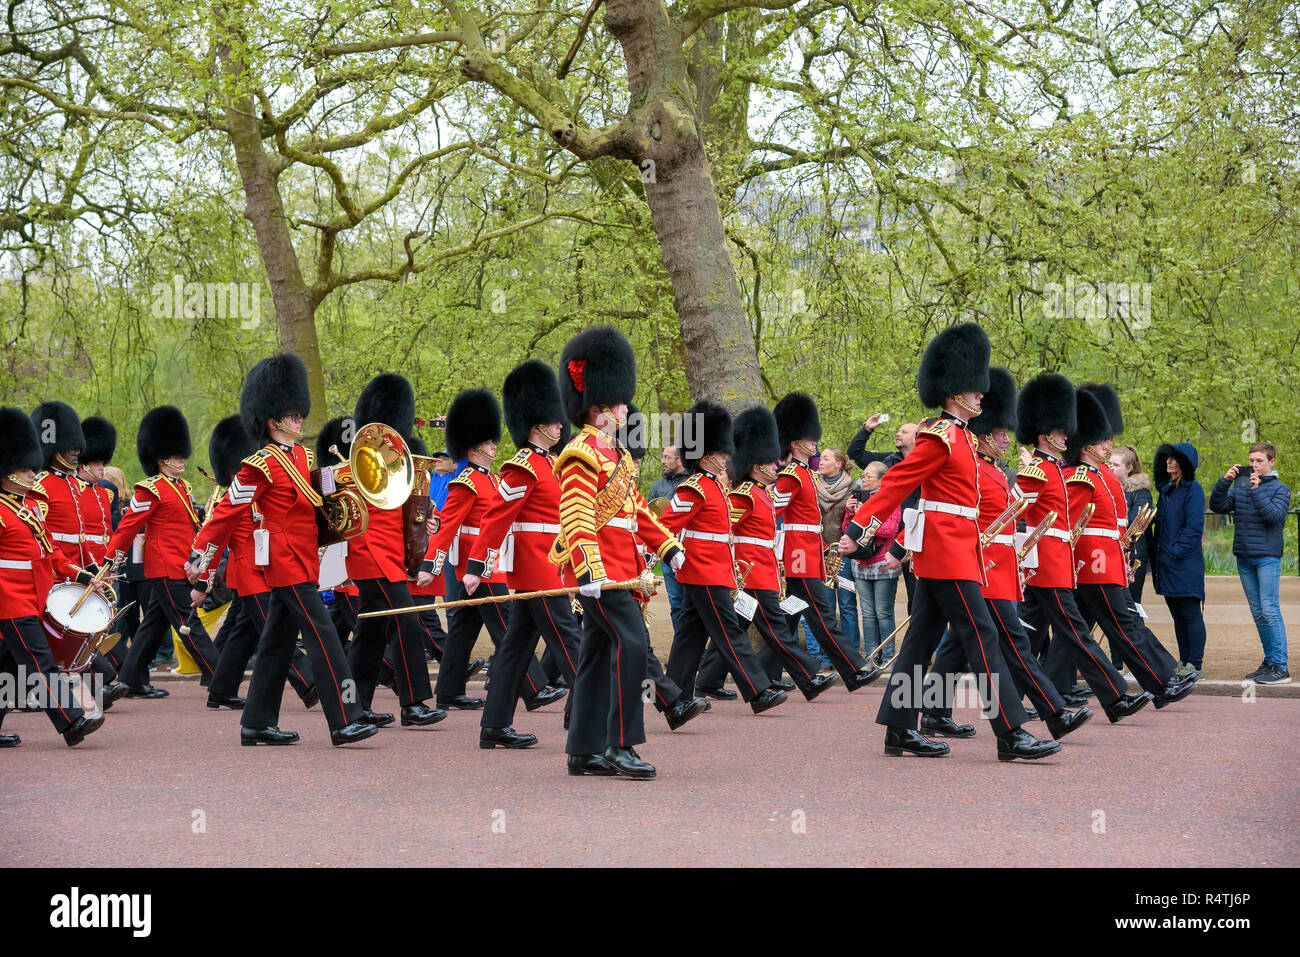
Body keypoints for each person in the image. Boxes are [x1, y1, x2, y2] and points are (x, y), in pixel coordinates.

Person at [840, 324, 1057, 761]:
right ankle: (1011, 732)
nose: (983, 396)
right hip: (946, 550)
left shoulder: (962, 438)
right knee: (982, 635)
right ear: (955, 392)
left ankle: (899, 729)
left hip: (959, 549)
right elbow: (897, 482)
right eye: (976, 390)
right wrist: (858, 528)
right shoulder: (940, 435)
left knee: (920, 641)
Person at [187, 352, 376, 747]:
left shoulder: (300, 456)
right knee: (324, 635)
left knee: (275, 643)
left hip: (305, 556)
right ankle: (346, 717)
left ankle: (256, 722)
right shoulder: (259, 464)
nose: (299, 419)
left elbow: (312, 494)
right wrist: (200, 557)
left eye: (299, 413)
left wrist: (347, 474)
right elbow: (226, 512)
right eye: (292, 415)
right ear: (273, 420)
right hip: (283, 559)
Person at [918, 367, 1092, 740]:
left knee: (958, 646)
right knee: (1006, 641)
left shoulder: (995, 470)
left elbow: (1010, 514)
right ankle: (1050, 712)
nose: (1005, 440)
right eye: (999, 434)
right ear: (983, 437)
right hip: (978, 563)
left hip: (992, 564)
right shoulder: (971, 463)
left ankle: (932, 710)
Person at [555, 326, 684, 779]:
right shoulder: (580, 453)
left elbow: (635, 515)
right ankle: (620, 743)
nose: (626, 410)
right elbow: (576, 516)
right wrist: (588, 568)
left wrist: (667, 546)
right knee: (631, 646)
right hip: (602, 574)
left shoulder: (617, 457)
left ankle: (583, 749)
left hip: (622, 571)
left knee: (594, 654)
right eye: (620, 404)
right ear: (598, 407)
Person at [1015, 374, 1151, 721]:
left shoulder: (1054, 470)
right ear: (1046, 434)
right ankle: (1110, 698)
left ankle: (1017, 701)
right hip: (1044, 562)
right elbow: (1014, 511)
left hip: (1058, 562)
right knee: (1065, 633)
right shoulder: (1038, 471)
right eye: (1062, 432)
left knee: (1038, 634)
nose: (1067, 436)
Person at [466, 359, 583, 749]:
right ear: (536, 425)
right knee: (571, 644)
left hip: (553, 563)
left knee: (515, 649)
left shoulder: (553, 463)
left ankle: (494, 725)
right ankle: (596, 718)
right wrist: (476, 565)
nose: (560, 426)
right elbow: (498, 518)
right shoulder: (524, 466)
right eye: (554, 422)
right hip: (536, 567)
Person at [417, 388, 557, 711]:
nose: (495, 446)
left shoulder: (491, 480)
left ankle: (449, 689)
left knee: (463, 630)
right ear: (476, 444)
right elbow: (448, 526)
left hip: (488, 563)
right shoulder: (465, 482)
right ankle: (533, 687)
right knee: (508, 628)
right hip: (477, 568)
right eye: (490, 441)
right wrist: (430, 565)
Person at [1065, 384, 1194, 709]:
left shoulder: (1101, 474)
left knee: (1099, 626)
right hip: (1092, 563)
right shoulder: (1082, 476)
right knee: (1122, 623)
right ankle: (1163, 681)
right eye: (1102, 439)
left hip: (1108, 558)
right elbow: (1073, 525)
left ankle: (1057, 686)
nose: (1109, 444)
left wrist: (1122, 555)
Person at [660, 401, 787, 715]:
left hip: (715, 571)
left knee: (690, 637)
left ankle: (674, 700)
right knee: (729, 631)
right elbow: (665, 526)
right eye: (721, 452)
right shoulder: (694, 489)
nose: (726, 457)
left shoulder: (715, 487)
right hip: (702, 571)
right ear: (706, 455)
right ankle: (758, 691)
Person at [341, 374, 445, 729]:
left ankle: (353, 704)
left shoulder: (395, 462)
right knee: (408, 622)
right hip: (371, 554)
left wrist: (429, 523)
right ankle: (414, 703)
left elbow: (407, 509)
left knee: (369, 633)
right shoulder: (360, 460)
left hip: (388, 556)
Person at [0, 407, 106, 748]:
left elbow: (50, 554)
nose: (33, 472)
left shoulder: (27, 508)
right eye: (24, 466)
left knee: (8, 668)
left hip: (34, 597)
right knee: (39, 663)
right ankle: (71, 719)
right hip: (9, 598)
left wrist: (82, 574)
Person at [198, 415, 318, 712]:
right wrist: (204, 577)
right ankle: (309, 682)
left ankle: (221, 690)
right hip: (248, 571)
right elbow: (219, 535)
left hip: (268, 568)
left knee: (244, 633)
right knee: (275, 634)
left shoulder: (264, 483)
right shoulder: (232, 494)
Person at [107, 406, 225, 695]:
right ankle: (223, 681)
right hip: (164, 566)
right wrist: (110, 560)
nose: (181, 460)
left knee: (151, 628)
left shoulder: (182, 486)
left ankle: (130, 680)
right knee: (189, 626)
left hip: (181, 564)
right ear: (160, 459)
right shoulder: (150, 489)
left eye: (181, 454)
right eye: (175, 456)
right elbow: (128, 527)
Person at [724, 405, 839, 701]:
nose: (776, 466)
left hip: (764, 567)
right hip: (750, 568)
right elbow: (727, 530)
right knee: (774, 626)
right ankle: (805, 678)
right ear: (755, 463)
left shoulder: (761, 491)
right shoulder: (745, 494)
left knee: (732, 627)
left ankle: (710, 678)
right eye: (769, 462)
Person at [772, 392, 881, 691]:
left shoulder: (806, 473)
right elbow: (770, 512)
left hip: (810, 548)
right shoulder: (792, 475)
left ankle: (767, 674)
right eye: (810, 438)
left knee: (790, 611)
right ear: (795, 443)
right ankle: (854, 669)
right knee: (821, 612)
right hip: (797, 552)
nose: (815, 442)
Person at [1210, 442, 1292, 684]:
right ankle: (1269, 662)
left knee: (1269, 609)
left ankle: (1281, 667)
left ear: (1271, 462)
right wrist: (1225, 481)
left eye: (1260, 461)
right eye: (1252, 460)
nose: (1254, 465)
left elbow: (1273, 517)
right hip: (1244, 556)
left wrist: (1256, 491)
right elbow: (1218, 506)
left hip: (1267, 557)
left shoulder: (1281, 489)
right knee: (1257, 612)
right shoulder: (1242, 485)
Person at [1152, 441, 1207, 679]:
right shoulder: (1166, 491)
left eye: (1174, 459)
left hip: (1184, 563)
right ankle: (1184, 661)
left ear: (1184, 463)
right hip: (1166, 563)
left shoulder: (1193, 489)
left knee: (1191, 614)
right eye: (1167, 458)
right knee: (1177, 615)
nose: (1168, 462)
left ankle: (1195, 663)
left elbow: (1194, 527)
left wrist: (1175, 552)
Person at [848, 461, 902, 665]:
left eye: (869, 476)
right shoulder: (858, 498)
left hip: (882, 564)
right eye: (863, 476)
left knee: (883, 612)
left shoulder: (890, 499)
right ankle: (871, 658)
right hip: (861, 564)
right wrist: (851, 511)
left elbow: (888, 530)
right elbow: (848, 529)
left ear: (882, 479)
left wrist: (864, 513)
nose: (864, 479)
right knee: (868, 614)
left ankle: (888, 658)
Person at [648, 444, 690, 633]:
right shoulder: (657, 487)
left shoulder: (692, 482)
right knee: (676, 602)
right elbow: (650, 520)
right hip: (667, 552)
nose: (663, 461)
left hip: (691, 551)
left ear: (679, 460)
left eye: (667, 457)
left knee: (692, 603)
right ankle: (681, 654)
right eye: (662, 456)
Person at [1108, 445, 1154, 604]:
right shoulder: (1108, 488)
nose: (1110, 468)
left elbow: (1136, 522)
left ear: (1129, 468)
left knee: (1131, 605)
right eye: (1110, 463)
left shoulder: (1141, 492)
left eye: (1116, 465)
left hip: (1133, 555)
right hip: (1110, 552)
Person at [847, 416, 918, 471]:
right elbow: (855, 456)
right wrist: (867, 429)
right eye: (898, 431)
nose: (898, 434)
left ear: (916, 438)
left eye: (904, 432)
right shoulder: (888, 460)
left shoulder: (924, 463)